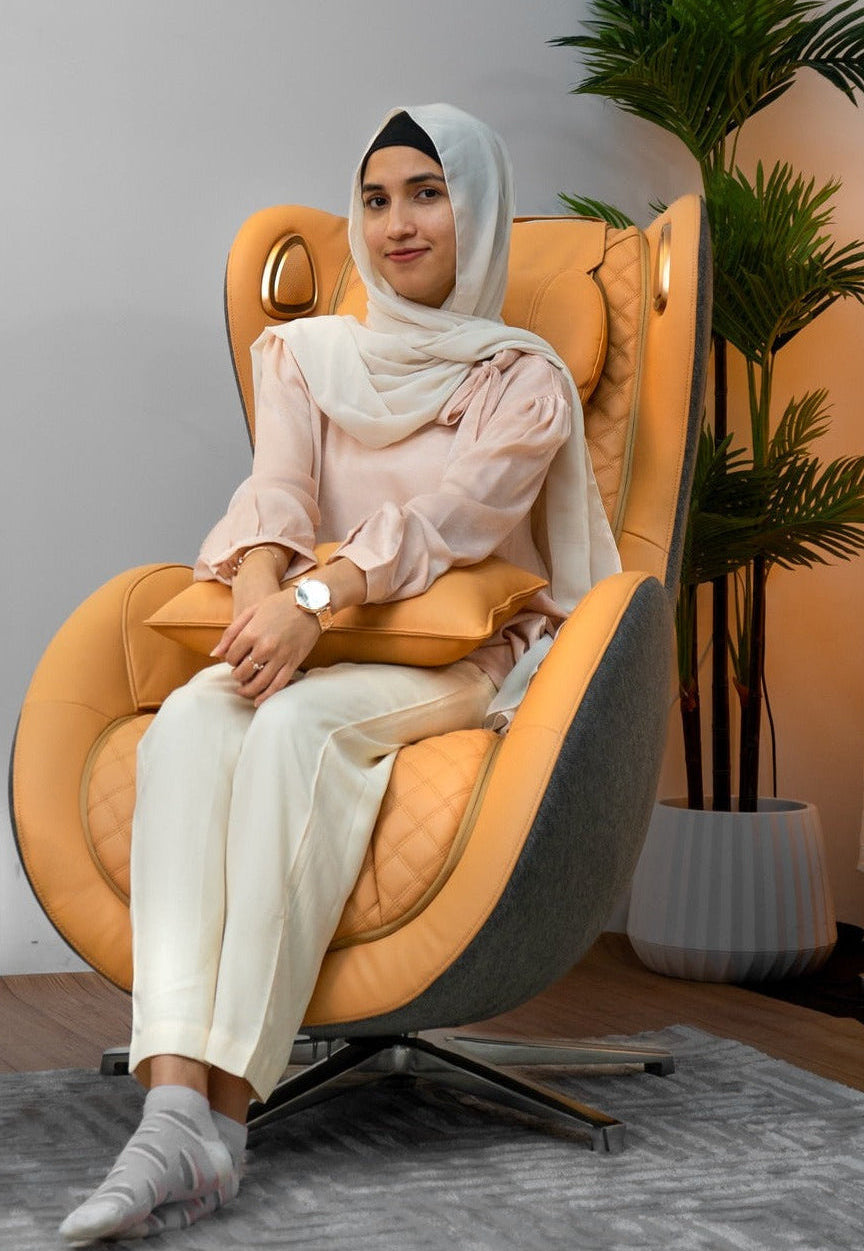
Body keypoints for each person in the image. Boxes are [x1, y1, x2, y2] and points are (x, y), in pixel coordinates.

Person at [60, 102, 619, 1244]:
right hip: (314, 625)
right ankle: (175, 1109)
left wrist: (317, 602)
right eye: (374, 198)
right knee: (195, 718)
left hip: (456, 655)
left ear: (479, 209)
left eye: (427, 193)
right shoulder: (306, 353)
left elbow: (451, 522)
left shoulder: (524, 381)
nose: (396, 222)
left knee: (295, 732)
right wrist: (265, 591)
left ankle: (223, 1112)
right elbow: (276, 495)